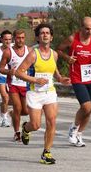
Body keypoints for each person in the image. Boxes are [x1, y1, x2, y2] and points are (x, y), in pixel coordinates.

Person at [15, 23, 71, 164]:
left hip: (50, 92)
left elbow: (54, 72)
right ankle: (26, 128)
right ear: (38, 38)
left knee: (51, 121)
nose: (45, 35)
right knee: (36, 125)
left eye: (47, 33)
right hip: (35, 93)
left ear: (51, 37)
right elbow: (18, 72)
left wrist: (61, 79)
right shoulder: (33, 55)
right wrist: (35, 79)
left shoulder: (55, 54)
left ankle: (46, 153)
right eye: (42, 33)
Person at [56, 16, 91, 147]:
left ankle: (79, 134)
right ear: (81, 28)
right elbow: (59, 50)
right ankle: (73, 128)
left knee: (90, 109)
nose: (89, 31)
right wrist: (67, 57)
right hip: (77, 77)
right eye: (87, 29)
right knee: (86, 107)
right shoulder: (73, 39)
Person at [0, 29, 31, 142]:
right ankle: (17, 133)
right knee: (17, 107)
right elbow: (1, 68)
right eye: (18, 38)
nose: (20, 40)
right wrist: (9, 72)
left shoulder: (30, 50)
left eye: (22, 38)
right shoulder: (8, 52)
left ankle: (12, 114)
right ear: (14, 38)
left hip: (26, 84)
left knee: (26, 111)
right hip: (13, 84)